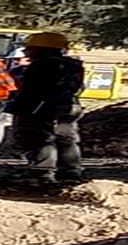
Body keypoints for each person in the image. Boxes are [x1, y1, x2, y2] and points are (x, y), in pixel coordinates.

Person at [11, 32, 85, 184]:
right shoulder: (74, 65)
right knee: (67, 139)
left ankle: (42, 172)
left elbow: (31, 90)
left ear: (41, 49)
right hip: (70, 105)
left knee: (39, 138)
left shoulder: (42, 65)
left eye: (29, 48)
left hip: (42, 107)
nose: (25, 52)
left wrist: (20, 108)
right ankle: (70, 172)